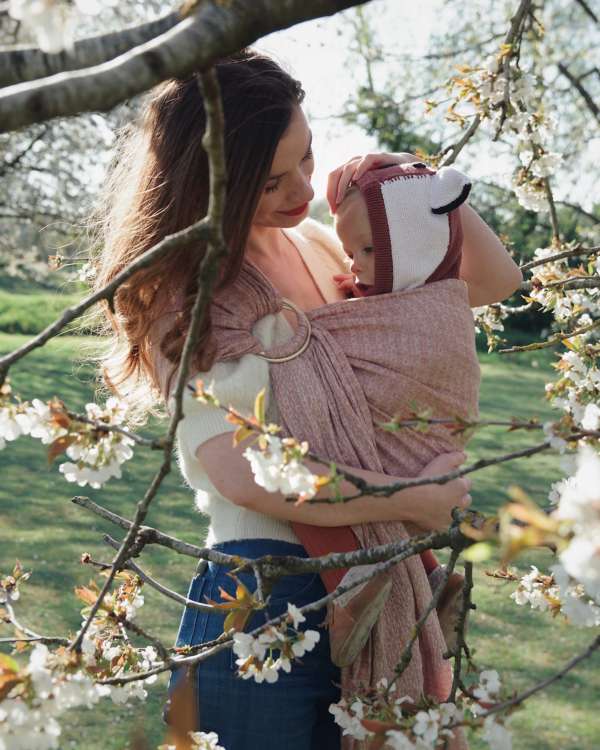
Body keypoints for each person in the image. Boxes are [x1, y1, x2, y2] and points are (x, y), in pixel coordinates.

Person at [91, 48, 522, 750]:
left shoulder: (324, 245)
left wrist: (418, 182)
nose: (300, 188)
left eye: (307, 155)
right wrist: (413, 500)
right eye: (269, 182)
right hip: (262, 597)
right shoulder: (185, 295)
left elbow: (487, 282)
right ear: (212, 185)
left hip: (378, 580)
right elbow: (243, 474)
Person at [288, 162, 478, 667]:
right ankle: (435, 575)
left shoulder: (425, 297)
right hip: (438, 434)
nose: (356, 268)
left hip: (416, 416)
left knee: (323, 471)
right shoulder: (433, 288)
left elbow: (356, 333)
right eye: (351, 254)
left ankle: (357, 582)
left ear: (416, 239)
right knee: (401, 498)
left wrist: (406, 169)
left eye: (371, 251)